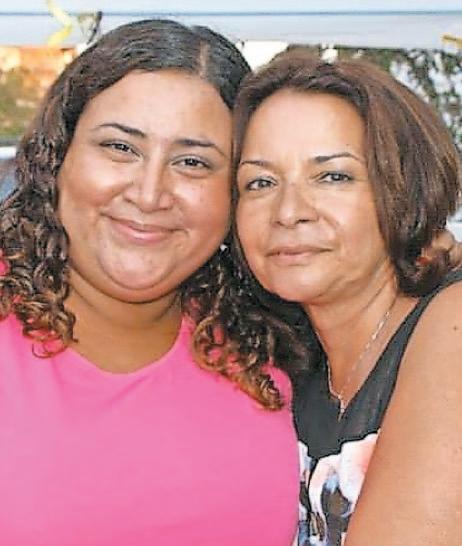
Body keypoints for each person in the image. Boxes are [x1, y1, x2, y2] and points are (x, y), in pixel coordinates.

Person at [0, 20, 300, 546]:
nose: (149, 193)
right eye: (120, 147)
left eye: (192, 162)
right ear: (58, 157)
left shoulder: (279, 341)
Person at [229, 51, 462, 545]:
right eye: (260, 182)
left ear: (403, 188)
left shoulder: (452, 321)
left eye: (333, 176)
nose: (289, 211)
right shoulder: (282, 355)